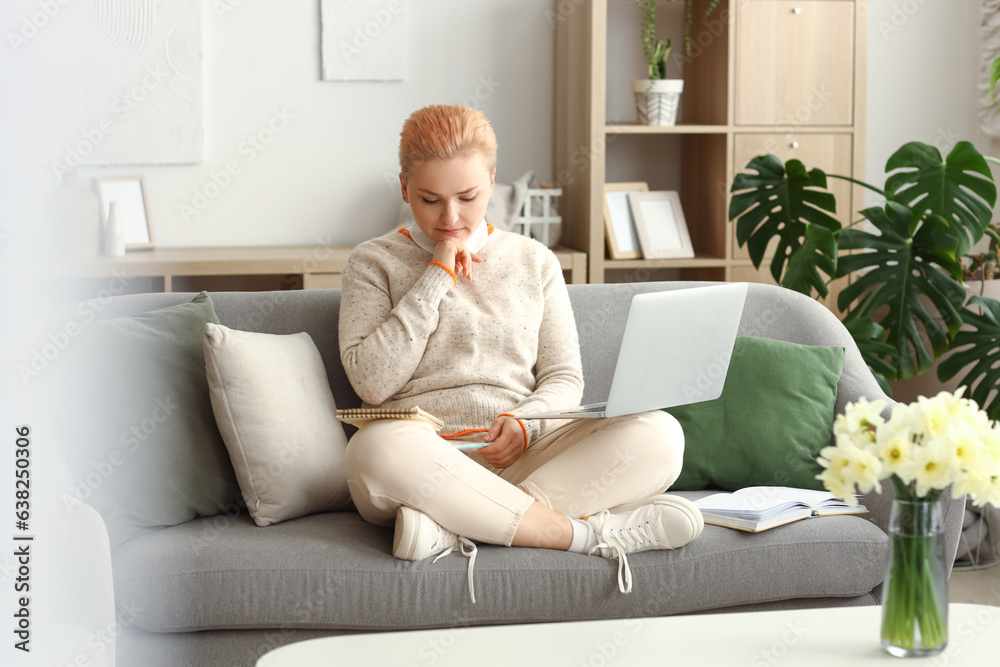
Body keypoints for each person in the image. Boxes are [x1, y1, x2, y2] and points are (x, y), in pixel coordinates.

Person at [339, 104, 702, 602]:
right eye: (430, 200)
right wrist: (436, 276)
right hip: (428, 461)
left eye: (467, 198)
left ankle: (454, 528)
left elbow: (562, 376)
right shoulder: (371, 262)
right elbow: (372, 382)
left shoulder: (535, 261)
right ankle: (580, 535)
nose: (450, 219)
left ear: (491, 180)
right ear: (405, 189)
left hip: (527, 454)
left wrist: (526, 422)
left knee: (661, 434)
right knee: (371, 449)